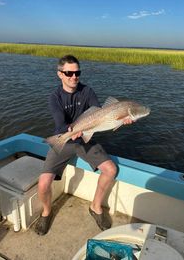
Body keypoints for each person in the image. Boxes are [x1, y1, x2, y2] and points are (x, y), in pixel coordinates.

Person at [35, 55, 133, 235]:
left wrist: (120, 119)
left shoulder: (87, 91)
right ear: (60, 74)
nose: (74, 77)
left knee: (111, 170)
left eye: (77, 72)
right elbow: (59, 123)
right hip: (63, 139)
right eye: (69, 73)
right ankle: (46, 212)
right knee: (43, 183)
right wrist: (71, 131)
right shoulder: (54, 97)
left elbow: (99, 114)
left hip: (85, 138)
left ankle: (95, 207)